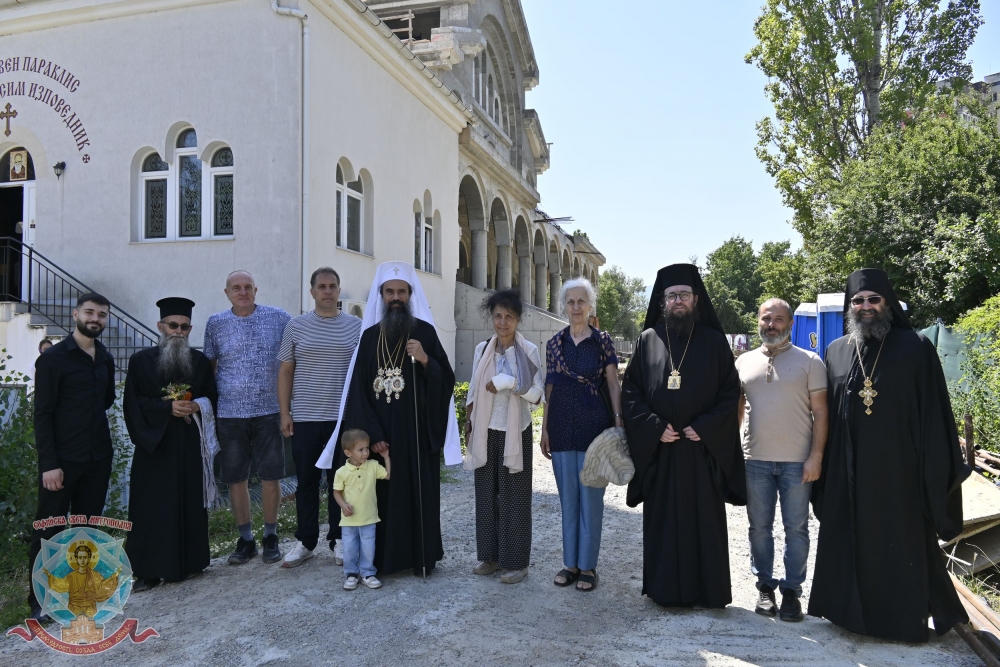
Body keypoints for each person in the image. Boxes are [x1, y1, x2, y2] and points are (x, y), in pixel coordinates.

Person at [809, 268, 969, 642]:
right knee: (848, 540)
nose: (865, 307)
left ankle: (898, 621)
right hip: (848, 472)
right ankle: (846, 614)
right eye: (858, 301)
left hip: (900, 474)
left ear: (888, 304)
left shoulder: (915, 347)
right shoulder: (836, 351)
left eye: (873, 300)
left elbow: (934, 416)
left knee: (897, 546)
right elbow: (824, 413)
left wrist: (933, 472)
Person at [317, 261, 461, 578]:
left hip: (415, 436)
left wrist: (425, 360)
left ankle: (420, 556)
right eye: (389, 292)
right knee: (378, 497)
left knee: (414, 493)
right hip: (379, 438)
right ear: (381, 295)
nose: (395, 297)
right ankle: (380, 558)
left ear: (410, 295)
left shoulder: (424, 333)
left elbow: (445, 381)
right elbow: (358, 391)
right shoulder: (369, 338)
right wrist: (372, 435)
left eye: (401, 292)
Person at [622, 264, 746, 608]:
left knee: (703, 523)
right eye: (671, 296)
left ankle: (708, 592)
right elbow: (630, 392)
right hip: (662, 451)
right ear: (662, 302)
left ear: (696, 300)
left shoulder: (714, 341)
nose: (678, 301)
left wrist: (705, 427)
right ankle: (664, 591)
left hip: (700, 451)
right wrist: (652, 425)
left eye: (684, 295)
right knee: (664, 523)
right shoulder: (648, 340)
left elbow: (729, 392)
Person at [735, 298, 828, 622]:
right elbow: (738, 407)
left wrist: (815, 457)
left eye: (778, 320)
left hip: (796, 464)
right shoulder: (743, 362)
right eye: (765, 318)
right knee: (759, 528)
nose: (771, 325)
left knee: (797, 529)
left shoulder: (810, 361)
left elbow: (821, 413)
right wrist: (735, 450)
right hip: (755, 461)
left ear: (789, 324)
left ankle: (791, 592)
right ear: (758, 321)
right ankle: (765, 586)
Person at [28, 293, 115, 622]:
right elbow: (43, 414)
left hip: (97, 459)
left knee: (86, 529)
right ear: (76, 314)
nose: (95, 319)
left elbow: (106, 400)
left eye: (102, 315)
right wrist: (49, 463)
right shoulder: (53, 360)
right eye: (90, 312)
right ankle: (40, 601)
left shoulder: (104, 357)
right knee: (48, 530)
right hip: (61, 462)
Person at [124, 297, 217, 591]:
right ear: (160, 326)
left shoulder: (200, 363)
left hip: (189, 445)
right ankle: (147, 571)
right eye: (173, 325)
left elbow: (212, 397)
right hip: (155, 447)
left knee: (189, 501)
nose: (179, 331)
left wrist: (196, 406)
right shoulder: (140, 362)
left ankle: (190, 562)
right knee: (150, 506)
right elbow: (133, 403)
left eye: (185, 327)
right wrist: (168, 409)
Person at [204, 270, 291, 566]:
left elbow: (291, 360)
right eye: (236, 288)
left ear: (256, 289)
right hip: (229, 414)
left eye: (248, 287)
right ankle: (245, 539)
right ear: (226, 292)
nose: (243, 292)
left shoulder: (279, 318)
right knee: (235, 479)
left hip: (269, 410)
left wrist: (287, 408)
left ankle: (270, 536)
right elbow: (211, 366)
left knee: (271, 476)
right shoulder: (216, 323)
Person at [541, 278, 622, 592]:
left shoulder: (602, 341)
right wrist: (545, 428)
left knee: (591, 500)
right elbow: (549, 388)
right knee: (568, 500)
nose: (576, 307)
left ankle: (588, 567)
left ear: (590, 306)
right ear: (564, 306)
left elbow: (614, 383)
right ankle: (569, 564)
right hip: (560, 426)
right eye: (570, 302)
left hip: (595, 427)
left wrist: (618, 422)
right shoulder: (554, 344)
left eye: (581, 301)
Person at [278, 267, 362, 568]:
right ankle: (305, 541)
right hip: (305, 418)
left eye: (333, 286)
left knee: (342, 483)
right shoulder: (296, 326)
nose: (328, 291)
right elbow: (286, 370)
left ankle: (338, 540)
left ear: (339, 291)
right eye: (322, 286)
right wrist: (285, 412)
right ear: (312, 291)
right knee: (307, 482)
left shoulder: (355, 326)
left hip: (343, 421)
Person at [465, 289, 544, 584]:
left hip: (516, 431)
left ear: (518, 320)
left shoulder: (528, 351)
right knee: (486, 496)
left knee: (515, 498)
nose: (502, 322)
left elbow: (536, 396)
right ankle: (490, 557)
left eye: (509, 316)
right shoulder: (482, 349)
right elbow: (473, 391)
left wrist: (510, 382)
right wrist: (469, 424)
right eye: (497, 316)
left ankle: (516, 563)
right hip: (486, 430)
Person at [333, 429, 390, 591]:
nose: (366, 453)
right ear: (347, 452)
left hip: (369, 517)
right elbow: (336, 492)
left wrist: (386, 457)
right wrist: (343, 506)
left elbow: (387, 476)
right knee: (349, 547)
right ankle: (351, 574)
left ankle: (367, 573)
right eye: (360, 450)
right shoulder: (341, 472)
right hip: (349, 519)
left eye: (366, 448)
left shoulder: (372, 466)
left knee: (368, 547)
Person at [44, 543, 121, 618]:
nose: (82, 560)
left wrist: (115, 576)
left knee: (90, 626)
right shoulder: (72, 576)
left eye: (85, 557)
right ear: (77, 559)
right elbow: (62, 584)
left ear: (88, 558)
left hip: (90, 608)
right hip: (74, 608)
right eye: (80, 557)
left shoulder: (95, 575)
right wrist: (50, 576)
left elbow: (102, 588)